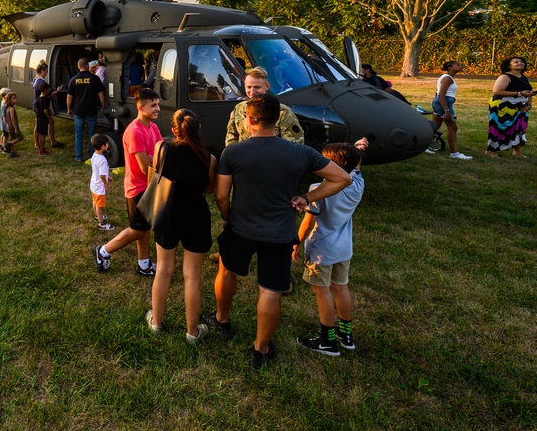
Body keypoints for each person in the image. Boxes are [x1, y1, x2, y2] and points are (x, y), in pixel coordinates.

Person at [208, 94, 351, 369]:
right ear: (279, 119)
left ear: (249, 120)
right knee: (270, 291)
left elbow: (221, 196)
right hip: (280, 233)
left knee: (226, 270)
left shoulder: (233, 152)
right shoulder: (301, 153)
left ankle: (222, 320)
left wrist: (227, 216)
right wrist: (307, 198)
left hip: (240, 228)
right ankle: (260, 349)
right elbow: (342, 178)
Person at [143, 109, 218, 344]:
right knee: (192, 275)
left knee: (164, 268)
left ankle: (156, 322)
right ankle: (192, 332)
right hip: (196, 215)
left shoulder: (161, 148)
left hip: (167, 214)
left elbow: (155, 177)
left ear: (174, 130)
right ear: (198, 127)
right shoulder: (210, 159)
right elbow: (209, 189)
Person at [293, 142, 366, 357]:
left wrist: (295, 243)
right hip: (343, 249)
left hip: (321, 251)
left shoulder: (317, 191)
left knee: (322, 292)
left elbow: (307, 223)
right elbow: (356, 165)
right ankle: (346, 336)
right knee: (341, 288)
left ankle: (327, 341)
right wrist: (357, 150)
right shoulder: (357, 182)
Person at [92, 88, 161, 277]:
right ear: (140, 107)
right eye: (153, 105)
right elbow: (145, 168)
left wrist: (153, 159)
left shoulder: (153, 127)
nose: (158, 109)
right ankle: (103, 251)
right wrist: (152, 160)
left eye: (158, 104)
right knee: (137, 230)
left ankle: (144, 264)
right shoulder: (134, 132)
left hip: (150, 186)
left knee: (144, 227)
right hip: (137, 188)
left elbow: (160, 154)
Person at [225, 67, 304, 146]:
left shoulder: (283, 112)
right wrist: (236, 155)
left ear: (267, 86)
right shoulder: (239, 109)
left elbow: (294, 145)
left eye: (257, 87)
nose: (252, 92)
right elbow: (231, 137)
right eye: (249, 87)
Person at [486, 56, 537, 158]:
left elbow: (528, 92)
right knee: (499, 128)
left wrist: (528, 105)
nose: (520, 63)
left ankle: (517, 152)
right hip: (502, 106)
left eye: (521, 61)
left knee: (519, 128)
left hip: (521, 108)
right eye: (516, 62)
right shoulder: (505, 77)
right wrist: (519, 93)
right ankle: (491, 151)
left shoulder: (523, 77)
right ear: (509, 66)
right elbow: (497, 92)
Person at [429, 60, 472, 160]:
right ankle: (454, 153)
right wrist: (446, 110)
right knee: (452, 127)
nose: (460, 66)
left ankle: (424, 145)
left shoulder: (448, 77)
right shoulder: (448, 78)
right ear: (449, 67)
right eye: (457, 65)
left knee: (435, 125)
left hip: (440, 103)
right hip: (444, 103)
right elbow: (441, 95)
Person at [67, 57, 106, 163]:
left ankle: (79, 156)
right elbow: (101, 94)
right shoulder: (94, 79)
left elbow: (69, 97)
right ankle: (91, 155)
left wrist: (69, 108)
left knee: (78, 134)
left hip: (78, 111)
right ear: (87, 66)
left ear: (79, 66)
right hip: (91, 110)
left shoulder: (73, 79)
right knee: (92, 134)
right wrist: (103, 106)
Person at [89, 133, 114, 230]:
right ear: (103, 146)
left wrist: (107, 177)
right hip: (99, 186)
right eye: (107, 144)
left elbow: (98, 171)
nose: (108, 145)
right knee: (99, 205)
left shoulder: (94, 155)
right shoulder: (103, 160)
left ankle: (97, 215)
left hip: (93, 184)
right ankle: (101, 223)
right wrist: (106, 183)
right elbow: (102, 174)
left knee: (95, 201)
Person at [35, 82, 54, 156]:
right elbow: (45, 110)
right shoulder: (45, 99)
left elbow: (36, 109)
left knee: (40, 134)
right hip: (43, 119)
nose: (49, 91)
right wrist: (49, 118)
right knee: (43, 134)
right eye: (48, 90)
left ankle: (41, 147)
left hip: (39, 118)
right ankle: (42, 150)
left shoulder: (38, 99)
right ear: (45, 90)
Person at [2, 91, 23, 158]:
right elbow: (12, 119)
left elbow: (5, 117)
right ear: (9, 100)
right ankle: (8, 144)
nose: (15, 100)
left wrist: (7, 125)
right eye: (14, 99)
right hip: (13, 127)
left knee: (12, 138)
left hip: (9, 126)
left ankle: (12, 152)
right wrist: (16, 128)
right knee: (20, 137)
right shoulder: (11, 109)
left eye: (16, 98)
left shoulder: (7, 108)